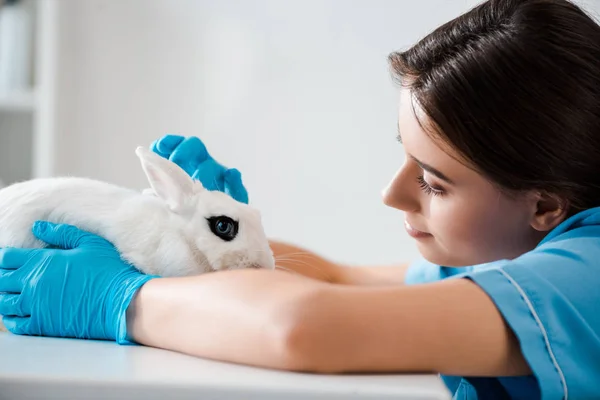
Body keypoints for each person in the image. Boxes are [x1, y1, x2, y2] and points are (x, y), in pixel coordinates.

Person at [1, 0, 600, 398]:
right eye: (406, 159)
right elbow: (333, 278)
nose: (391, 195)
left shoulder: (585, 277)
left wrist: (123, 299)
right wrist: (194, 236)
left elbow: (309, 326)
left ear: (545, 205)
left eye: (434, 182)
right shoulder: (520, 255)